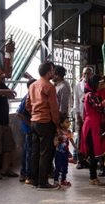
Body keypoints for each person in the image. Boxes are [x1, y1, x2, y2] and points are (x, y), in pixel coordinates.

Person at [26, 61, 60, 190]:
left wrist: (34, 114)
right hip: (45, 122)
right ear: (48, 72)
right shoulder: (49, 87)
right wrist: (56, 122)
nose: (53, 73)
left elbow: (28, 105)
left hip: (34, 121)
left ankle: (33, 179)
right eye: (52, 70)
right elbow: (53, 107)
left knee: (35, 151)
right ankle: (43, 182)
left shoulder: (33, 85)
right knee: (45, 153)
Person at [80, 74, 105, 186]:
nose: (102, 85)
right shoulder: (90, 95)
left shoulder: (92, 95)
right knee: (93, 152)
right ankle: (93, 177)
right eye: (100, 83)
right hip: (92, 125)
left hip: (94, 124)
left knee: (95, 152)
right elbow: (98, 107)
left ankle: (94, 176)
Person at [0, 67, 18, 179]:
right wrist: (7, 92)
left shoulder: (1, 85)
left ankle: (5, 169)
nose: (3, 75)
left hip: (5, 121)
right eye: (0, 73)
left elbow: (12, 95)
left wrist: (7, 92)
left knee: (8, 147)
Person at [73, 66, 94, 169]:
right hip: (81, 115)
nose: (87, 75)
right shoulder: (78, 86)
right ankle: (80, 160)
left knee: (90, 138)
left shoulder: (94, 86)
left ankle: (90, 159)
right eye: (85, 73)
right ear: (82, 74)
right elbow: (75, 101)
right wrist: (77, 115)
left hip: (90, 116)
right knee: (80, 138)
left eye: (89, 73)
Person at [16, 78, 36, 183]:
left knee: (28, 150)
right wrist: (30, 124)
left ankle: (25, 173)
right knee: (29, 151)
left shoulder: (32, 96)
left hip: (29, 126)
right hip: (28, 128)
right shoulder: (27, 97)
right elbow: (19, 113)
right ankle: (27, 174)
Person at [53, 115, 77, 187]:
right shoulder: (58, 132)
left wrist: (76, 148)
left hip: (65, 153)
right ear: (61, 124)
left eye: (69, 122)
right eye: (66, 122)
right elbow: (55, 142)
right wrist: (57, 141)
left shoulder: (69, 132)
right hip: (58, 153)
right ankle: (56, 181)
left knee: (65, 166)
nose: (69, 123)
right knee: (58, 167)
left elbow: (71, 140)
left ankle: (63, 180)